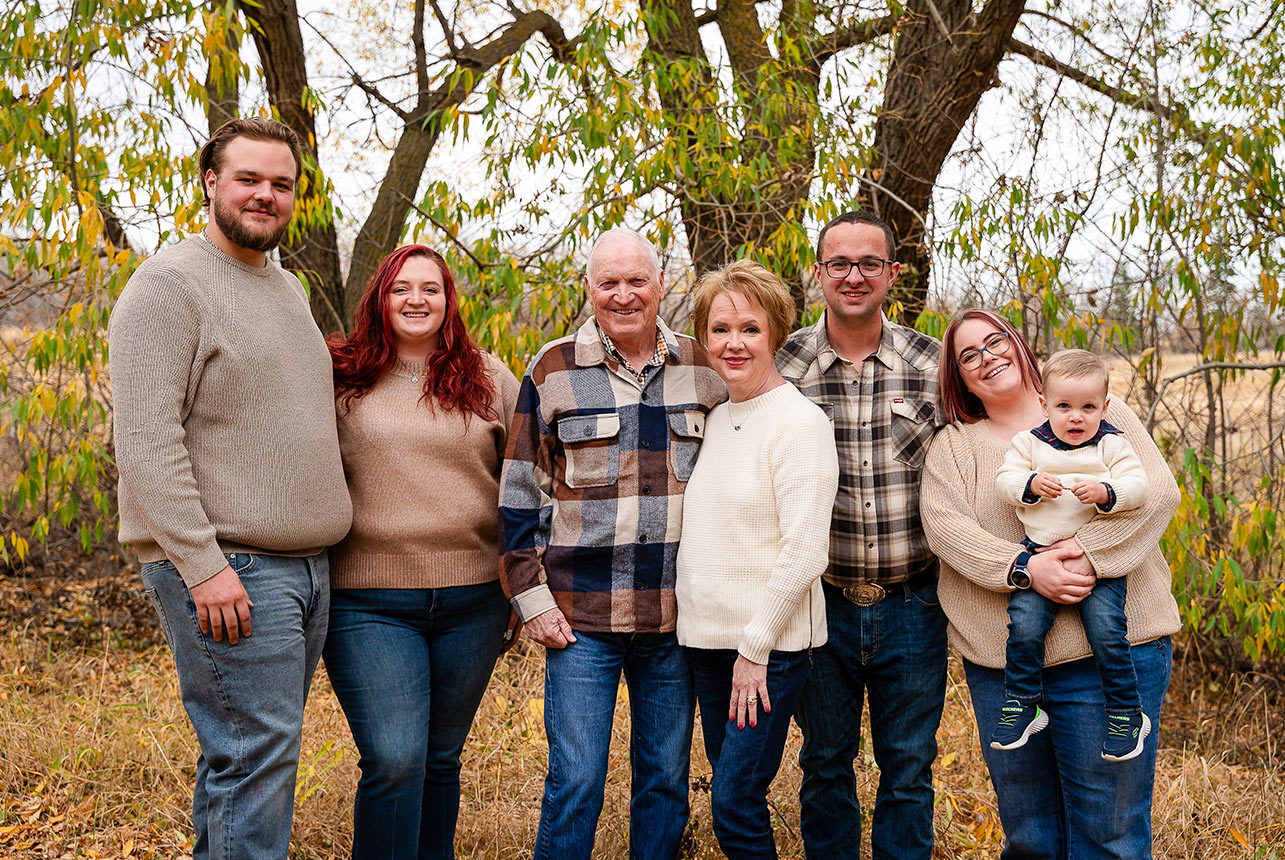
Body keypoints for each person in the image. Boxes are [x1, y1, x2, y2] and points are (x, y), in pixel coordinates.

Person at [109, 117, 353, 860]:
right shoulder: (167, 286)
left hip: (303, 569)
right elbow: (146, 443)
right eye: (248, 179)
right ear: (210, 182)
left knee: (244, 756)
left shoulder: (284, 286)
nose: (265, 195)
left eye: (280, 184)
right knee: (256, 757)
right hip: (231, 568)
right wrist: (204, 566)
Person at [499, 228, 726, 860]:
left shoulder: (704, 371)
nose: (623, 295)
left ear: (660, 286)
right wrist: (529, 597)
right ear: (590, 289)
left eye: (636, 281)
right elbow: (522, 490)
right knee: (575, 781)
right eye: (608, 283)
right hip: (580, 617)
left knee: (665, 782)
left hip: (675, 618)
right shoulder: (553, 368)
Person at [920, 308, 1181, 858]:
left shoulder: (1103, 416)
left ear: (1019, 345)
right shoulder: (955, 447)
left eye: (997, 342)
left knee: (1107, 838)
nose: (988, 357)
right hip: (1008, 674)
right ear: (958, 375)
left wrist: (1090, 553)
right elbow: (946, 529)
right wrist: (1025, 567)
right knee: (1031, 838)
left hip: (1109, 656)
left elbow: (1157, 493)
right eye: (970, 355)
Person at [323, 245, 521, 859]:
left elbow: (527, 482)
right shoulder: (338, 375)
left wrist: (523, 581)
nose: (416, 300)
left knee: (439, 759)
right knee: (394, 757)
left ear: (449, 299)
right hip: (368, 601)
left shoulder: (489, 378)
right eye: (401, 288)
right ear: (379, 297)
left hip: (474, 602)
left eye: (430, 288)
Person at [775, 210, 945, 860]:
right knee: (823, 764)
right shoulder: (780, 367)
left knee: (908, 768)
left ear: (892, 274)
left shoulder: (931, 364)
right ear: (817, 273)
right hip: (819, 606)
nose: (853, 275)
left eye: (868, 263)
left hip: (913, 605)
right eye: (838, 263)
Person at [676, 260, 838, 858]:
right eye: (720, 329)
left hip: (765, 651)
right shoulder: (715, 419)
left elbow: (803, 550)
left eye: (750, 328)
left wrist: (755, 648)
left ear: (775, 333)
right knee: (733, 789)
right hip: (707, 645)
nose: (733, 343)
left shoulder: (799, 422)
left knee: (734, 802)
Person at [991, 348, 1151, 760]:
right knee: (1024, 627)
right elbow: (1004, 481)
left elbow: (1141, 488)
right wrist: (1029, 484)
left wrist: (1107, 492)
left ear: (1105, 407)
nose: (1075, 417)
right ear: (1044, 405)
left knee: (1106, 630)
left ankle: (1125, 712)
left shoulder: (1111, 446)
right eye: (1063, 406)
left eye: (1087, 407)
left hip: (1097, 566)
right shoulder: (1028, 444)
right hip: (1039, 553)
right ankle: (1022, 704)